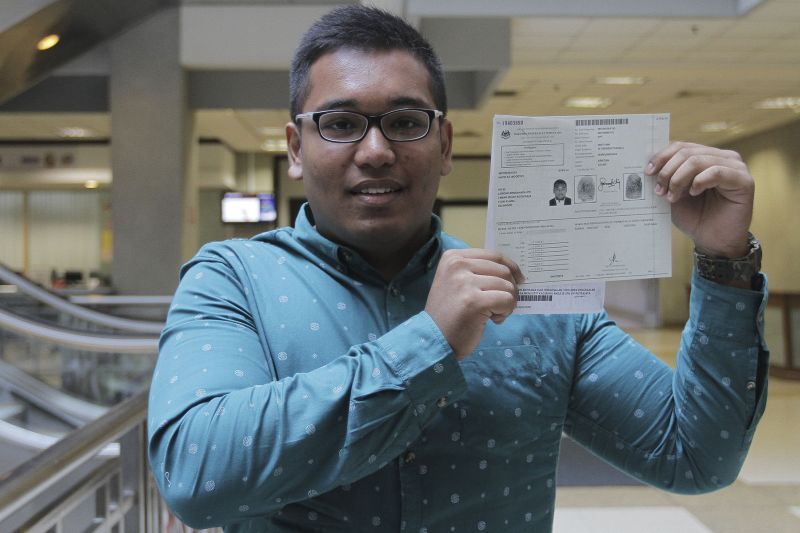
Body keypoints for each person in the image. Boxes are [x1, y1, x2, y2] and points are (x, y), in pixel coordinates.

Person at [147, 6, 768, 532]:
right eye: (340, 124)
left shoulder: (535, 294)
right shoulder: (231, 278)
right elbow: (196, 475)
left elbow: (695, 456)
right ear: (294, 148)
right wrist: (429, 343)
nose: (375, 151)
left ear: (444, 145)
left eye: (405, 122)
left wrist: (724, 261)